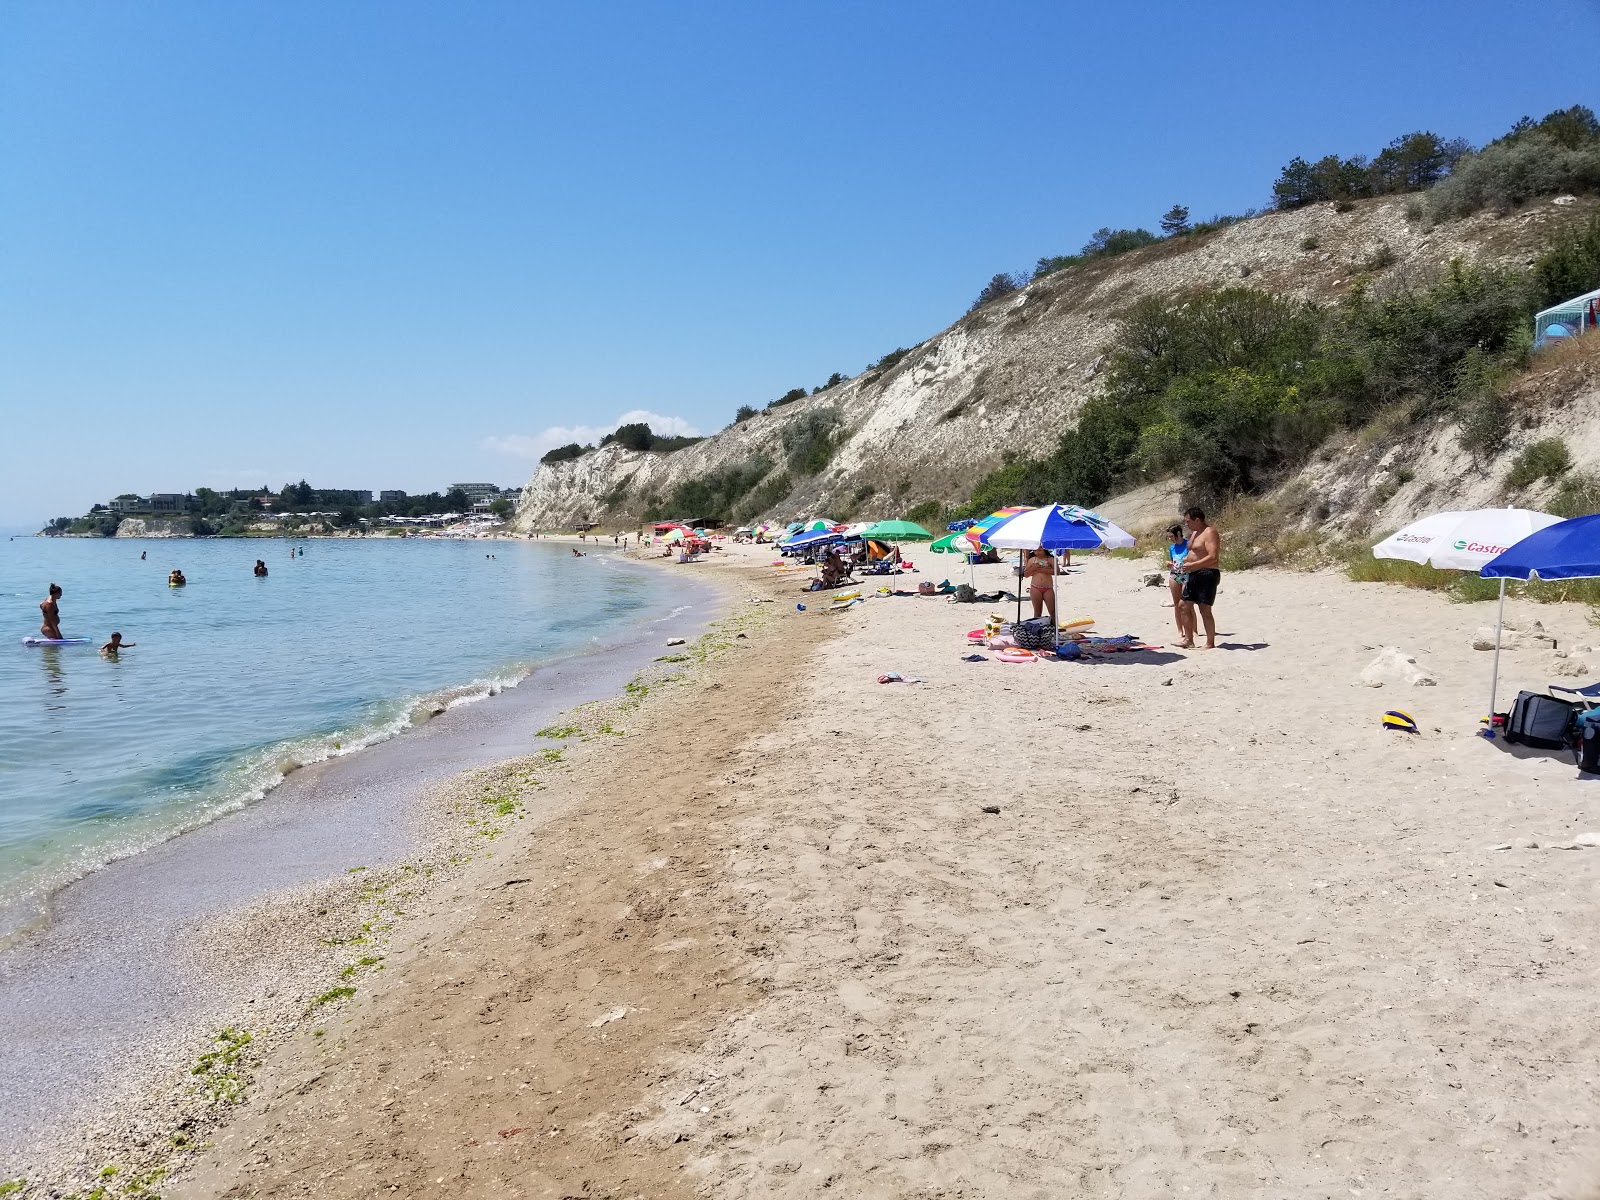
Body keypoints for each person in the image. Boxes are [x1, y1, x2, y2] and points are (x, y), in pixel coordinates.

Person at [1178, 506, 1221, 649]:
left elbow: (1213, 557)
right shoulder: (1195, 533)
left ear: (1197, 520)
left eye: (1188, 521)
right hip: (1192, 573)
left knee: (1204, 609)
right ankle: (1188, 640)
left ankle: (1210, 643)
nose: (1186, 524)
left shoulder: (1210, 532)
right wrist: (1184, 561)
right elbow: (1195, 552)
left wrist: (1194, 564)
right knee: (1183, 605)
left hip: (1206, 573)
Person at [1164, 523, 1189, 641]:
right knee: (1176, 604)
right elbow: (1173, 560)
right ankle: (1180, 630)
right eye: (1168, 537)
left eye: (1171, 536)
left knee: (1186, 604)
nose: (1170, 539)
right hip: (1174, 575)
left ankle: (1193, 630)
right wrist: (1169, 563)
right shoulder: (1172, 548)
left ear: (1178, 534)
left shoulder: (1188, 544)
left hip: (1187, 575)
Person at [1023, 549, 1057, 622]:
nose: (1037, 552)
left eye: (1039, 550)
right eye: (1035, 551)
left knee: (1052, 611)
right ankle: (1037, 628)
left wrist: (1043, 570)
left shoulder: (1051, 559)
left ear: (1044, 550)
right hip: (1035, 588)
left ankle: (1055, 628)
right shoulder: (1032, 560)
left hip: (1048, 588)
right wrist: (1033, 568)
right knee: (1037, 612)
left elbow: (1057, 571)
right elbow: (1025, 574)